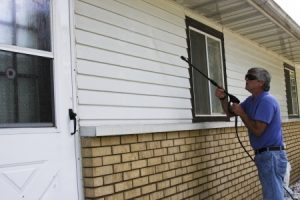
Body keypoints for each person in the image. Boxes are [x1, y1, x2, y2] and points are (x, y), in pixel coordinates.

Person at [215, 67, 288, 200]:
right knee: (272, 193)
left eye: (250, 77)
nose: (246, 79)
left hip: (271, 155)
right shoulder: (251, 100)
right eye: (246, 76)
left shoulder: (266, 101)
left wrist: (242, 113)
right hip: (265, 155)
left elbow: (258, 130)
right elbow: (230, 113)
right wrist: (223, 99)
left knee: (273, 196)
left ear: (261, 82)